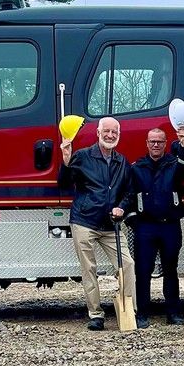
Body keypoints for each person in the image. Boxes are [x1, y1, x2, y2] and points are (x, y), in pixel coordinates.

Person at [58, 117, 135, 331]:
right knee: (89, 268)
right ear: (98, 133)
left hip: (112, 224)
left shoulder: (122, 161)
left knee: (127, 264)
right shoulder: (82, 156)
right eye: (106, 131)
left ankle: (129, 308)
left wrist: (122, 207)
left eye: (114, 132)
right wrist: (66, 160)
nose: (110, 135)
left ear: (118, 135)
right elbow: (64, 184)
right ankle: (96, 314)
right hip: (85, 221)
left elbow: (129, 193)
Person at [128, 125, 184, 328]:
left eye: (160, 141)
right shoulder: (136, 167)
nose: (156, 144)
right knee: (143, 272)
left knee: (171, 271)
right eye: (152, 141)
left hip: (170, 226)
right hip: (145, 227)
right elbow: (129, 196)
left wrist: (183, 144)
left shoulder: (175, 164)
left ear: (166, 143)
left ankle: (173, 313)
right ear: (147, 143)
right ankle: (142, 314)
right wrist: (134, 222)